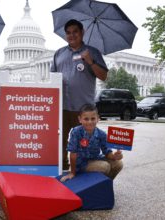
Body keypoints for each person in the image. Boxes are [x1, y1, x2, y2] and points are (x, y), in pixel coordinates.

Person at [50, 19, 109, 170]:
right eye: (68, 33)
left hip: (84, 109)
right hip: (62, 106)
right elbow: (52, 79)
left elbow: (103, 76)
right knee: (60, 141)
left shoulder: (92, 52)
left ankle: (83, 171)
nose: (72, 35)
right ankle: (62, 169)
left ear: (82, 32)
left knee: (84, 142)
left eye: (75, 31)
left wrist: (90, 61)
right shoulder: (59, 54)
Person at [60, 104, 123, 182]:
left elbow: (107, 152)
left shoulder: (102, 134)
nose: (90, 122)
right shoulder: (76, 132)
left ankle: (105, 184)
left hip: (95, 159)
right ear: (80, 119)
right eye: (86, 119)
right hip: (81, 164)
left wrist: (115, 156)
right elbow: (73, 154)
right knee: (104, 166)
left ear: (98, 119)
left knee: (118, 164)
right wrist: (72, 173)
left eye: (93, 118)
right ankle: (97, 183)